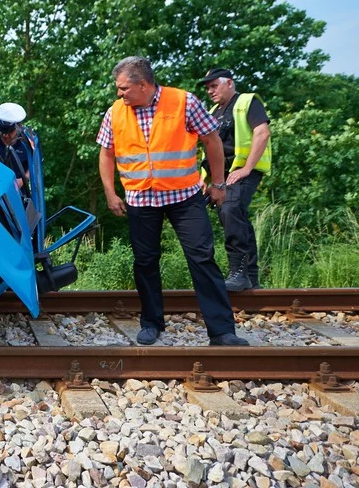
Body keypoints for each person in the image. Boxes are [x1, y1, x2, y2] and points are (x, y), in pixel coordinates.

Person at [96, 56, 248, 346]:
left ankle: (222, 331)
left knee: (202, 258)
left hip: (184, 196)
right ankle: (151, 324)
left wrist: (218, 183)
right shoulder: (115, 112)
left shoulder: (184, 102)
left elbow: (212, 140)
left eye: (124, 88)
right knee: (145, 262)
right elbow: (106, 153)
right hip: (141, 197)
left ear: (143, 85)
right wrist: (110, 192)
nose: (119, 94)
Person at [199, 68, 272, 292]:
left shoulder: (247, 102)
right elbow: (209, 148)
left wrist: (247, 167)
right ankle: (250, 277)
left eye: (214, 86)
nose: (210, 91)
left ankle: (238, 273)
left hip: (243, 171)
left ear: (229, 83)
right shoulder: (212, 111)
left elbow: (262, 133)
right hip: (222, 175)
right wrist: (205, 178)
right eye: (208, 87)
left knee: (230, 209)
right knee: (233, 215)